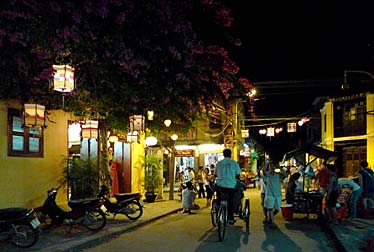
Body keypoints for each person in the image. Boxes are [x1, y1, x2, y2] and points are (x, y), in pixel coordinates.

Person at [214, 148, 241, 225]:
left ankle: (218, 213)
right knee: (230, 201)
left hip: (220, 185)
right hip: (230, 185)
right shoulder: (234, 163)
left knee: (219, 199)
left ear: (223, 154)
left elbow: (215, 174)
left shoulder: (218, 163)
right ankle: (230, 218)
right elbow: (238, 174)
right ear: (230, 154)